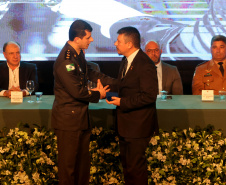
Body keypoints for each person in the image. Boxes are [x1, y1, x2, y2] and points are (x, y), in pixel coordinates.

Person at [51, 19, 115, 185]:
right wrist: (98, 95)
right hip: (69, 122)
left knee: (81, 167)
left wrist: (117, 83)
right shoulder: (66, 60)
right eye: (88, 37)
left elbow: (90, 74)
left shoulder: (77, 55)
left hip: (79, 119)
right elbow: (77, 91)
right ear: (77, 39)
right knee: (69, 168)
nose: (92, 40)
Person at [106, 27, 159, 185]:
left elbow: (149, 96)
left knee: (135, 170)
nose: (115, 43)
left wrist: (122, 102)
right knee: (128, 168)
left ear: (129, 44)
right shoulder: (126, 60)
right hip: (126, 126)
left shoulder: (145, 64)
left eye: (119, 41)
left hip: (138, 126)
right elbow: (125, 86)